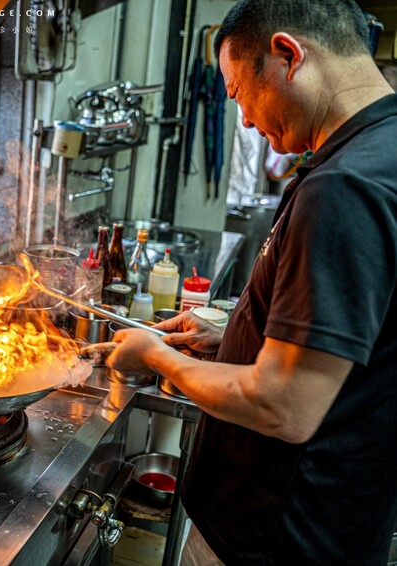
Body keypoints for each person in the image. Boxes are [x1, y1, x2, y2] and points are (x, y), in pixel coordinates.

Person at [106, 0, 397, 563]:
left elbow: (283, 408)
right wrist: (240, 331)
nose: (241, 120)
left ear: (287, 55)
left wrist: (156, 356)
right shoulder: (381, 150)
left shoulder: (344, 187)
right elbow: (356, 330)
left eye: (238, 93)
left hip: (273, 535)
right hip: (335, 525)